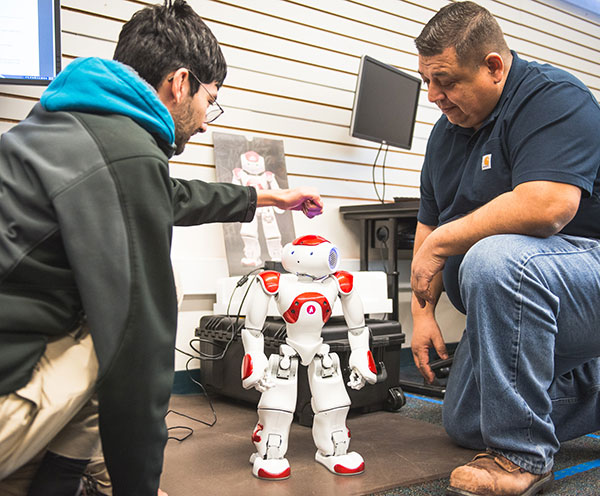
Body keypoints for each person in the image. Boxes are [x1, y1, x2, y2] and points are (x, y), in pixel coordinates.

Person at [0, 1, 323, 495]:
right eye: (209, 100)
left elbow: (163, 195)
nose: (207, 120)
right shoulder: (127, 153)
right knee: (118, 324)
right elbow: (141, 355)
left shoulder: (65, 123)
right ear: (180, 82)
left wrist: (266, 196)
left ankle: (57, 478)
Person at [409, 2, 600, 496]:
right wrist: (423, 315)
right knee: (466, 421)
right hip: (521, 309)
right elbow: (427, 227)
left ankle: (521, 457)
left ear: (493, 66)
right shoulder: (444, 135)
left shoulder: (554, 97)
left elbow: (548, 206)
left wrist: (445, 245)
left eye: (445, 81)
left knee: (497, 259)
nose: (434, 96)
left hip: (586, 283)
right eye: (427, 80)